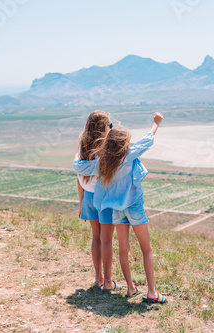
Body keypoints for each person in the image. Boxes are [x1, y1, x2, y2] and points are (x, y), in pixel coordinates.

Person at [73, 112, 167, 303]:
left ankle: (128, 288)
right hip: (132, 206)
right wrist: (156, 123)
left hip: (113, 208)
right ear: (124, 144)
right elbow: (146, 142)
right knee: (144, 249)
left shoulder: (100, 161)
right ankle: (149, 291)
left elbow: (79, 167)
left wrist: (80, 158)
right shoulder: (128, 155)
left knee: (119, 247)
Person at [76, 110, 114, 290]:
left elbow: (79, 179)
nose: (111, 128)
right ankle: (108, 282)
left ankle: (98, 278)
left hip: (88, 198)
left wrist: (81, 203)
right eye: (109, 125)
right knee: (107, 240)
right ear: (103, 127)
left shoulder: (82, 149)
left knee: (95, 238)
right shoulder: (106, 150)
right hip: (104, 197)